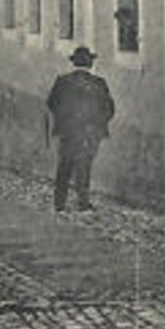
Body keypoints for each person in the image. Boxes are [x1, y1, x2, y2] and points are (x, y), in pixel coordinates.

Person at [46, 45, 115, 212]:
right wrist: (98, 126)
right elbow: (109, 108)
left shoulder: (62, 81)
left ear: (74, 63)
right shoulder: (99, 83)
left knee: (65, 166)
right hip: (90, 132)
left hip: (69, 131)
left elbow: (51, 103)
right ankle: (83, 203)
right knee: (84, 166)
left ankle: (59, 203)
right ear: (90, 63)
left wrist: (63, 121)